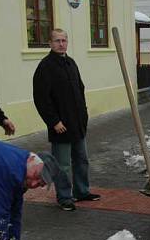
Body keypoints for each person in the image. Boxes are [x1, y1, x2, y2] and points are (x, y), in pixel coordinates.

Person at [33, 28, 100, 211]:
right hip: (60, 126)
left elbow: (80, 89)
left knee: (82, 160)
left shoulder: (71, 63)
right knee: (62, 165)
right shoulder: (45, 67)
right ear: (50, 43)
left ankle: (82, 191)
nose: (61, 44)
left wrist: (84, 116)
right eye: (57, 41)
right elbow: (41, 99)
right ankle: (64, 197)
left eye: (64, 40)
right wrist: (54, 121)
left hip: (77, 124)